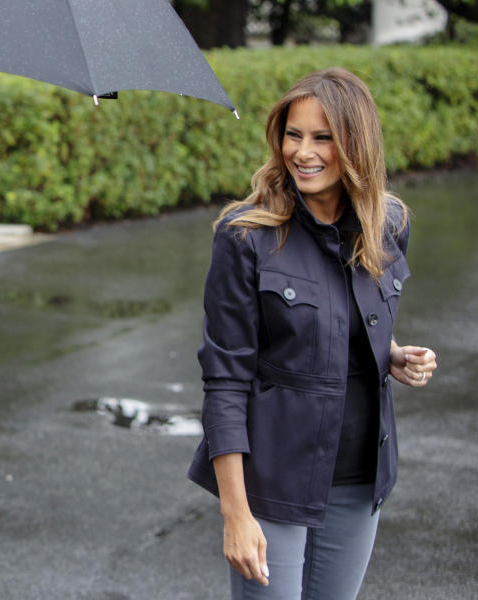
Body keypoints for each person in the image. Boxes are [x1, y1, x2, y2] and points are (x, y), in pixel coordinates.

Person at [186, 67, 437, 600]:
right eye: (293, 135)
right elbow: (225, 383)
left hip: (358, 475)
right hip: (272, 481)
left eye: (323, 137)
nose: (303, 151)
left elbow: (345, 319)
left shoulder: (388, 224)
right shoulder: (246, 237)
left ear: (356, 143)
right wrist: (236, 512)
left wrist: (390, 353)